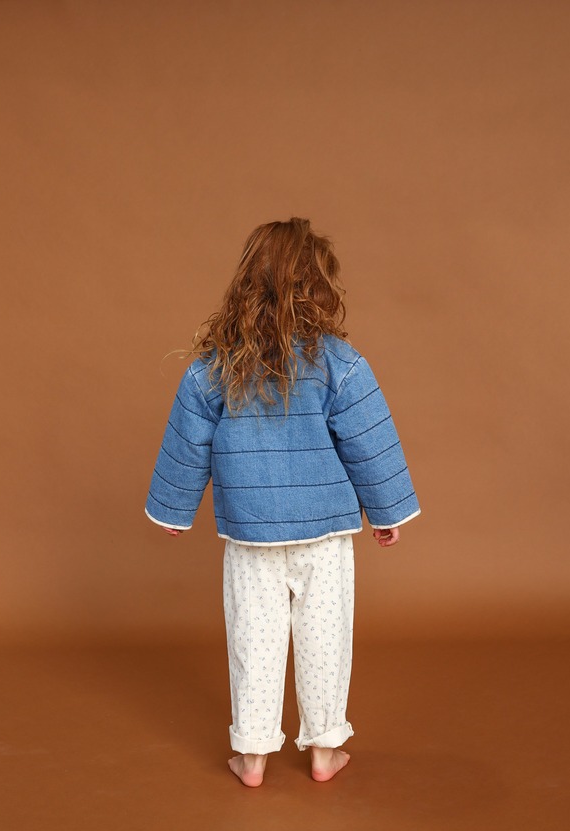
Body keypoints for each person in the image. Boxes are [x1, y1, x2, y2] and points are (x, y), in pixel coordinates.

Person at [145, 217, 421, 787]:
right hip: (324, 532)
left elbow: (188, 441)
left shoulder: (214, 368)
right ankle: (324, 751)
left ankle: (252, 759)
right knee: (325, 637)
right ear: (319, 286)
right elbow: (368, 442)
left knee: (254, 639)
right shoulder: (339, 363)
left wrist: (174, 510)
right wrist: (387, 512)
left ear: (247, 282)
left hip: (251, 533)